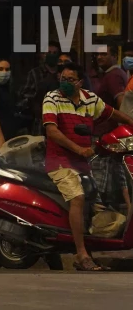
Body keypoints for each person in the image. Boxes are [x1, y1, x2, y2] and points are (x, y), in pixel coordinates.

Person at [42, 62, 133, 271]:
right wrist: (78, 148)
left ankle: (91, 247)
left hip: (83, 162)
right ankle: (81, 254)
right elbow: (52, 131)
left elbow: (112, 114)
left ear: (80, 82)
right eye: (63, 79)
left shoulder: (89, 99)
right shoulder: (52, 98)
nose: (65, 83)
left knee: (98, 202)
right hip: (60, 162)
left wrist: (130, 122)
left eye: (70, 80)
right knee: (78, 197)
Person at [18, 41, 61, 135]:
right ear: (42, 55)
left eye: (54, 53)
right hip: (40, 123)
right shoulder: (34, 74)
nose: (51, 55)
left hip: (61, 121)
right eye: (48, 53)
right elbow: (24, 97)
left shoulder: (63, 73)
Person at [94, 44, 128, 136]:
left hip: (109, 131)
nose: (99, 57)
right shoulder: (116, 73)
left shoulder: (113, 76)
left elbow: (122, 105)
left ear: (114, 56)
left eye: (104, 54)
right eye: (97, 54)